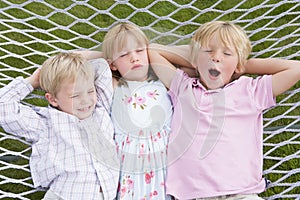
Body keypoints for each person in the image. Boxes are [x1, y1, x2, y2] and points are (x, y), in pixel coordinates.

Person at [148, 21, 300, 199]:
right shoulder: (183, 87)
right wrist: (195, 59)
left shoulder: (250, 91)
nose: (216, 57)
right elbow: (153, 51)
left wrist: (244, 66)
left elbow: (295, 68)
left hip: (240, 192)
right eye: (208, 51)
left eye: (227, 53)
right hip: (192, 194)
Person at [0, 53, 120, 200]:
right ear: (53, 99)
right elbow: (3, 106)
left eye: (90, 91)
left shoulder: (100, 108)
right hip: (65, 195)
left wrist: (73, 59)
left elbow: (101, 65)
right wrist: (33, 81)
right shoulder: (46, 123)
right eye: (75, 96)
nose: (86, 100)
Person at [76, 23, 173, 200]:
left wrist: (152, 51)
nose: (134, 58)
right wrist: (106, 58)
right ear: (112, 64)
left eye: (139, 51)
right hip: (129, 169)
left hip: (163, 168)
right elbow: (73, 59)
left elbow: (193, 60)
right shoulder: (113, 86)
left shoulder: (164, 82)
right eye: (125, 55)